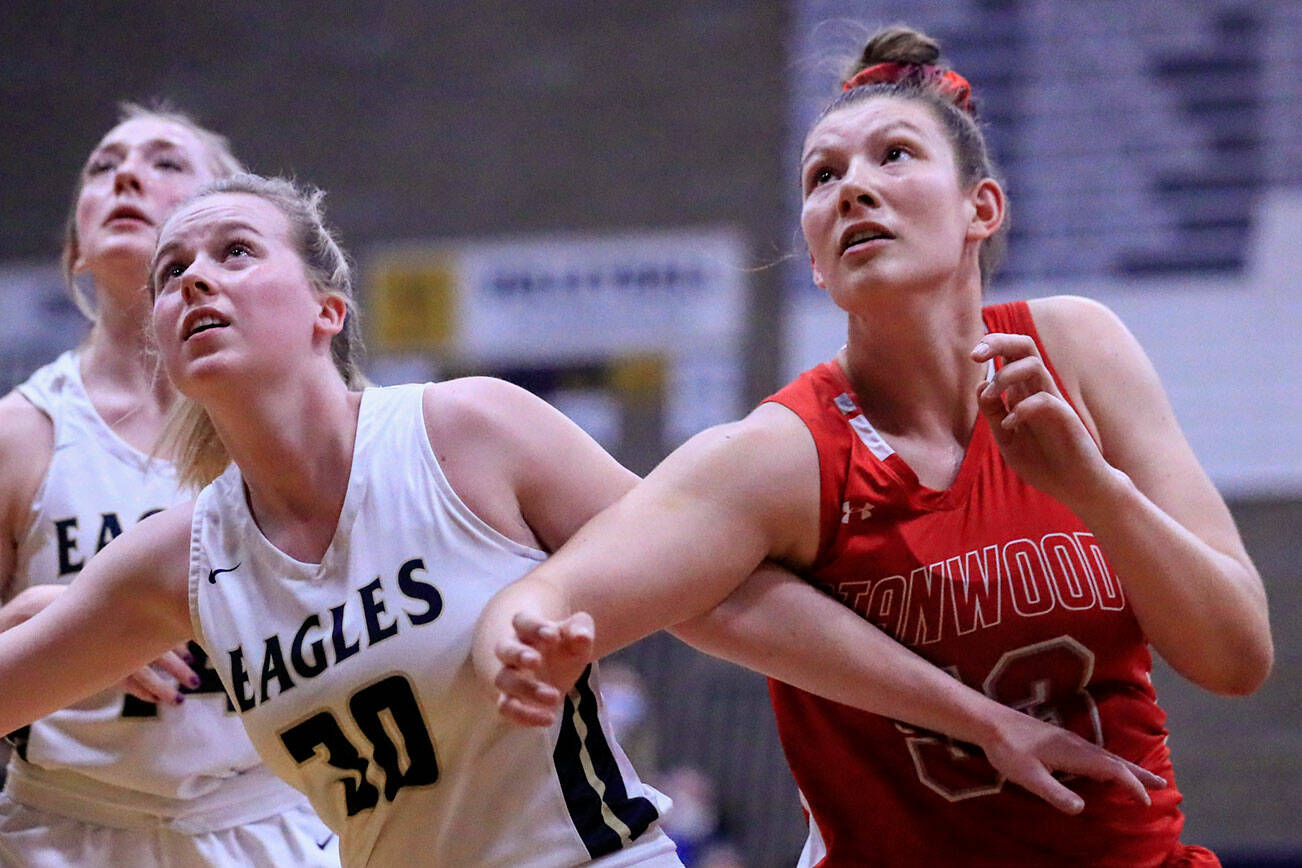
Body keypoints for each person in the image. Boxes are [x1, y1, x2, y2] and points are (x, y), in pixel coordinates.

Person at [0, 170, 1165, 865]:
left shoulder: (467, 432)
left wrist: (974, 718)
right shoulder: (177, 561)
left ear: (324, 309)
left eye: (233, 251)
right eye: (170, 272)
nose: (193, 279)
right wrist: (31, 603)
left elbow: (729, 597)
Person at [477, 25, 1272, 868]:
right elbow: (546, 596)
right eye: (825, 176)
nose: (855, 187)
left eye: (895, 156)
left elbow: (1235, 657)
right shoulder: (783, 454)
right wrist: (525, 650)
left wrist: (1096, 490)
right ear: (816, 259)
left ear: (982, 208)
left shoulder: (1079, 349)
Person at [0, 106, 337, 866]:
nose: (126, 175)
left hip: (273, 816)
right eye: (102, 167)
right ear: (74, 248)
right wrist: (47, 621)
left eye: (166, 163)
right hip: (64, 827)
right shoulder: (21, 434)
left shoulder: (298, 424)